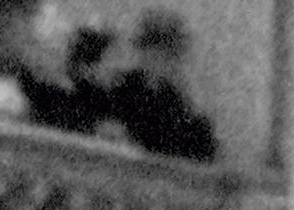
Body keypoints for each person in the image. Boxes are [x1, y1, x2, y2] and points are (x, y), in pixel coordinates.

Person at [90, 13, 222, 160]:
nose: (157, 62)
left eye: (166, 56)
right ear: (142, 52)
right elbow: (99, 122)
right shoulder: (121, 88)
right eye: (152, 53)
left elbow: (200, 150)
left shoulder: (178, 105)